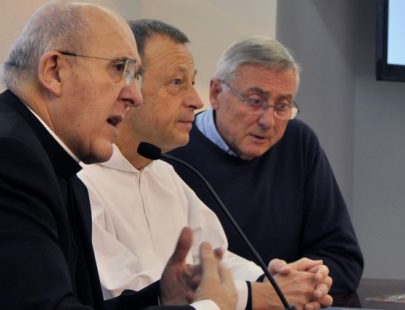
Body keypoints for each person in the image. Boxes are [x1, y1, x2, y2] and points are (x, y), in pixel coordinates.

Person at [0, 3, 236, 309]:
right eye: (119, 69)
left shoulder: (46, 157)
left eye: (133, 75)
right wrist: (207, 308)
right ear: (54, 71)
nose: (134, 95)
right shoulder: (3, 159)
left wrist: (164, 297)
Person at [78, 19, 333, 310]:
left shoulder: (165, 172)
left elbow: (216, 259)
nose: (195, 100)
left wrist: (274, 279)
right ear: (128, 88)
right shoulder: (82, 181)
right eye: (177, 82)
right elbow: (126, 294)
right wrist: (257, 296)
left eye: (191, 82)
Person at [168, 37, 364, 294]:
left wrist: (307, 283)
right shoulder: (173, 149)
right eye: (255, 101)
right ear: (216, 93)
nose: (268, 121)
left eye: (282, 106)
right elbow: (173, 272)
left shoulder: (298, 143)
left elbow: (343, 258)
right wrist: (269, 291)